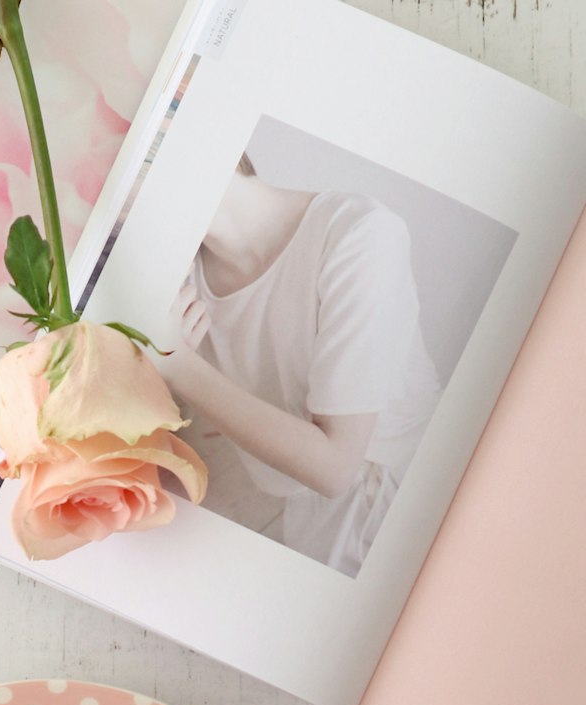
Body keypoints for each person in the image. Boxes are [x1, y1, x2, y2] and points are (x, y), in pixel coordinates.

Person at [159, 153, 442, 577]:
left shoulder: (358, 231)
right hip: (317, 536)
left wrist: (174, 362)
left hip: (424, 505)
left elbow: (335, 467)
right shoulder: (178, 291)